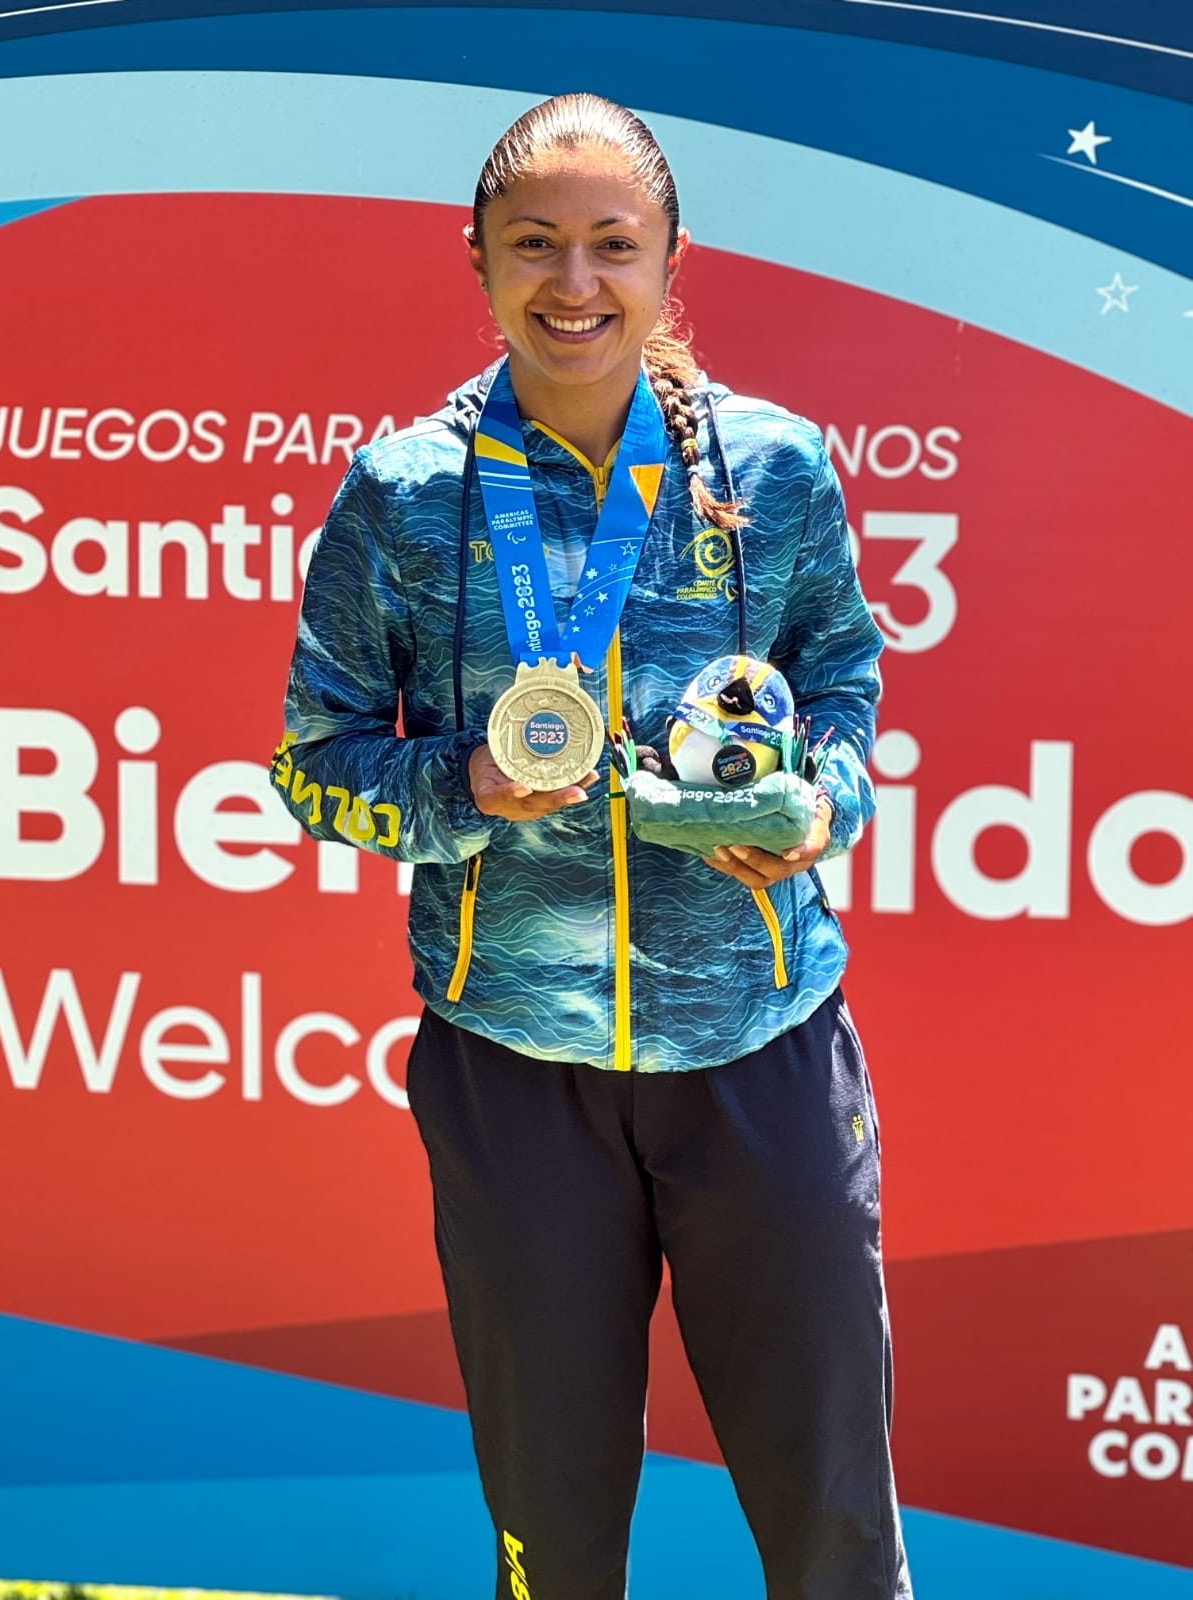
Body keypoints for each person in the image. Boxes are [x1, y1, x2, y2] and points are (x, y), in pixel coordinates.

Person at [271, 92, 912, 1600]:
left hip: (761, 1057)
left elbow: (845, 698)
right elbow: (319, 763)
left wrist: (815, 808)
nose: (575, 284)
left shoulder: (776, 471)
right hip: (514, 1076)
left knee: (833, 1533)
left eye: (613, 246)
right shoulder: (405, 493)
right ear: (478, 261)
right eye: (536, 245)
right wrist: (466, 793)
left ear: (670, 260)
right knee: (553, 1546)